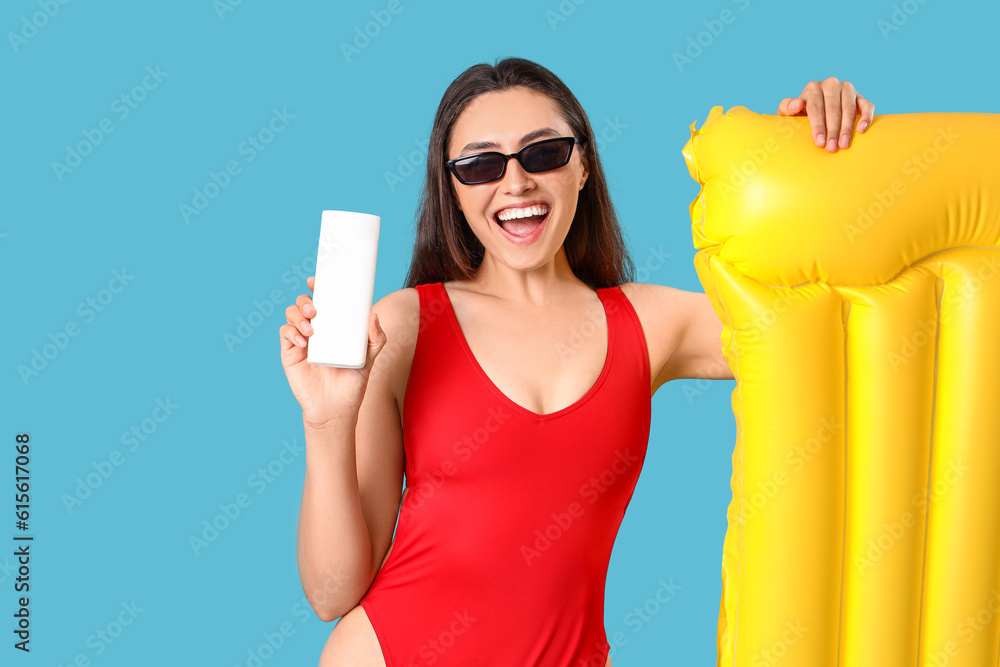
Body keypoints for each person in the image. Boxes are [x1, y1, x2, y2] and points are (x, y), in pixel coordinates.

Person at [279, 57, 874, 667]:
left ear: (583, 165)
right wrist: (326, 422)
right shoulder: (403, 327)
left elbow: (822, 326)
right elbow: (333, 595)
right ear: (453, 189)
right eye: (481, 164)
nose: (515, 184)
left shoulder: (651, 323)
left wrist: (821, 150)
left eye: (543, 153)